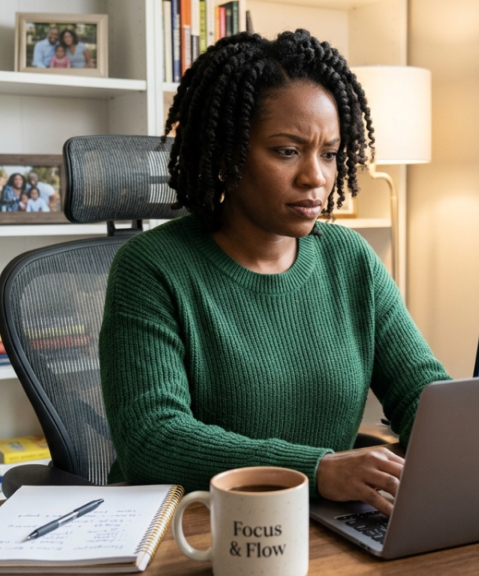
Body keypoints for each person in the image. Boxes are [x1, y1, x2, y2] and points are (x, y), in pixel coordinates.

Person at [99, 30, 450, 517]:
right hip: (190, 530)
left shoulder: (351, 259)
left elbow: (423, 395)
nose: (317, 177)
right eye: (287, 151)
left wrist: (473, 452)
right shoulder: (152, 267)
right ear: (226, 156)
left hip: (317, 525)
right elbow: (152, 439)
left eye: (328, 153)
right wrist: (318, 470)